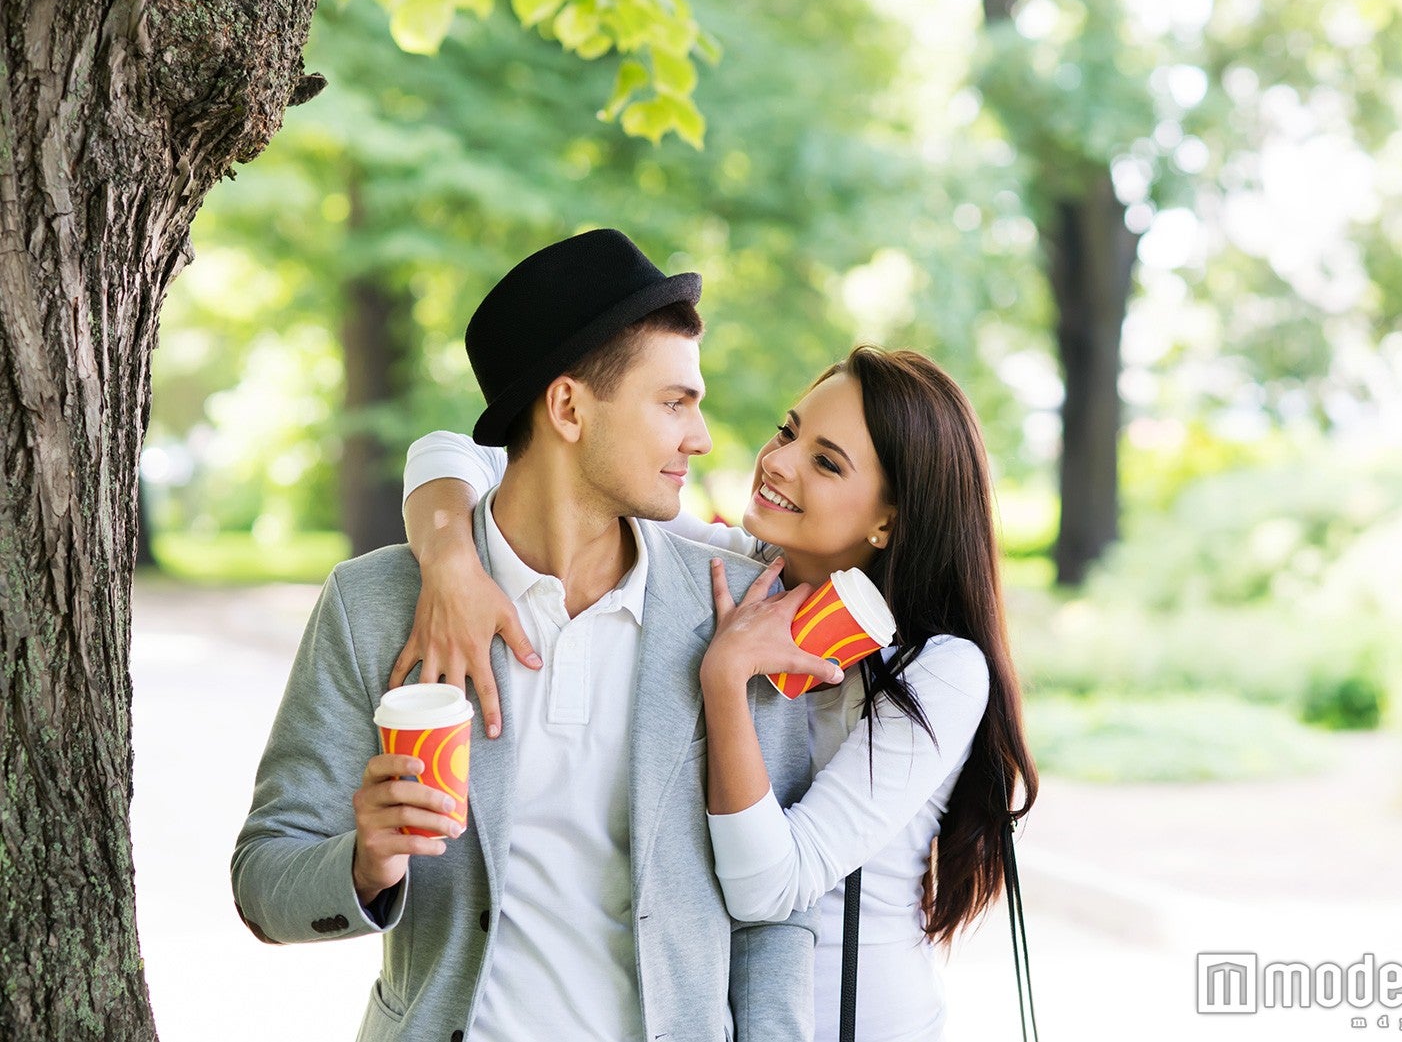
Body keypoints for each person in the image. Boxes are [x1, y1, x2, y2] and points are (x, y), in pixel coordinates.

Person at [231, 228, 829, 1042]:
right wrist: (365, 863)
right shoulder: (373, 606)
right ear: (569, 407)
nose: (701, 436)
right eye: (674, 402)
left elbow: (779, 911)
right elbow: (265, 874)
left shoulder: (732, 611)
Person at [399, 346, 1039, 1041]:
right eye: (789, 430)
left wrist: (727, 678)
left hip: (854, 1023)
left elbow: (769, 887)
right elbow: (467, 453)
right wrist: (450, 559)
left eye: (826, 462)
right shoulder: (730, 572)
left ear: (890, 518)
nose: (779, 461)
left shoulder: (938, 671)